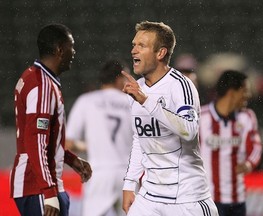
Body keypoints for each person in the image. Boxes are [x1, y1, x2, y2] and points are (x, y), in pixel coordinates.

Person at [121, 20, 219, 216]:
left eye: (141, 45)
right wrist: (130, 183)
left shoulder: (181, 86)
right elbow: (140, 139)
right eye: (134, 44)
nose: (134, 50)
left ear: (160, 53)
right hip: (149, 197)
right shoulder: (137, 88)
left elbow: (189, 131)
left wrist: (146, 101)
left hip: (187, 198)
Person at [10, 23, 92, 216]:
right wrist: (48, 191)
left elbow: (43, 138)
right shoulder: (42, 85)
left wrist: (70, 159)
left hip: (39, 184)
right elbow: (36, 141)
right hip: (37, 186)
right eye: (71, 46)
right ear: (59, 50)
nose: (74, 51)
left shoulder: (37, 78)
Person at [65, 59, 133, 216]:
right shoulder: (132, 103)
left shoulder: (86, 101)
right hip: (128, 175)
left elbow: (68, 143)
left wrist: (90, 145)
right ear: (119, 79)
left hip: (99, 172)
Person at [199, 70, 263, 216]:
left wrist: (248, 164)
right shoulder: (201, 118)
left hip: (237, 199)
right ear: (232, 92)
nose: (248, 95)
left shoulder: (247, 117)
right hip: (209, 199)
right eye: (245, 91)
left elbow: (256, 147)